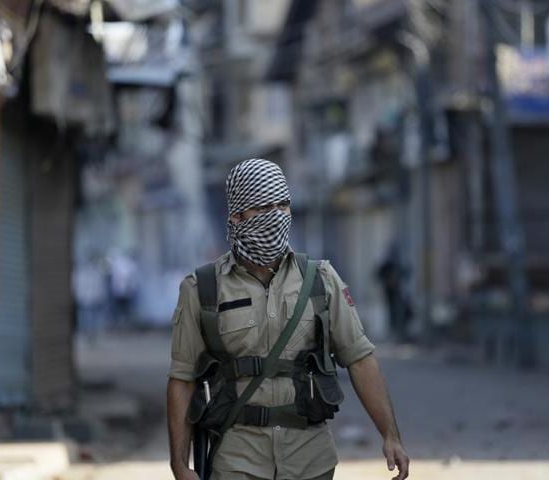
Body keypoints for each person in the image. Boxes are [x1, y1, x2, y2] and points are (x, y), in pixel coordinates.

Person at [167, 159, 409, 480]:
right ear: (238, 216)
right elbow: (183, 380)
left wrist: (390, 435)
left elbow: (360, 359)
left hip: (311, 460)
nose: (277, 217)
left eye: (283, 205)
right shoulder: (203, 289)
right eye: (265, 208)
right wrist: (179, 464)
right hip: (238, 460)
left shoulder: (321, 280)